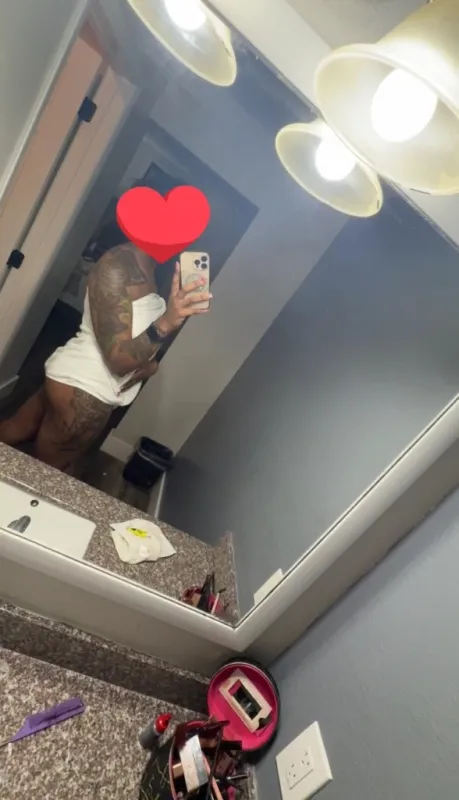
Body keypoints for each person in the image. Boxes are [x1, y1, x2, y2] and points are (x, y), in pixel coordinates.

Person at [0, 242, 211, 472]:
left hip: (77, 378)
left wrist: (151, 366)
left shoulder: (150, 264)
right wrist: (166, 322)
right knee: (43, 473)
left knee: (14, 429)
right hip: (87, 391)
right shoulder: (117, 266)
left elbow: (132, 333)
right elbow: (119, 359)